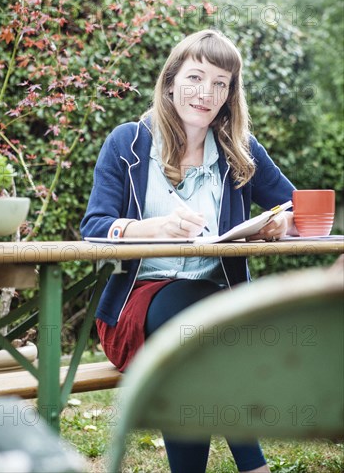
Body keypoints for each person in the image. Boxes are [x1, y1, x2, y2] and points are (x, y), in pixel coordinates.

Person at [80, 28, 299, 473]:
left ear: (229, 95)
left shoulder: (240, 152)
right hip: (137, 308)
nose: (206, 92)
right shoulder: (128, 143)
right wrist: (149, 229)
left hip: (213, 315)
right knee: (200, 323)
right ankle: (254, 466)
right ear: (171, 81)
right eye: (196, 77)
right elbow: (94, 226)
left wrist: (281, 223)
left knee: (196, 345)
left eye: (220, 83)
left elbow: (296, 207)